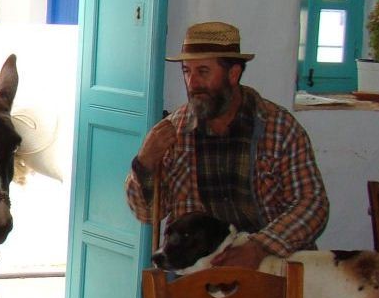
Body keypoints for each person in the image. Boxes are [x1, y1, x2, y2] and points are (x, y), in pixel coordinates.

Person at [126, 21, 329, 271]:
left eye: (203, 71)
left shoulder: (279, 128)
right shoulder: (175, 131)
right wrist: (144, 163)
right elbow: (147, 215)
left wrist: (259, 247)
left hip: (272, 266)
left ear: (233, 74)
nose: (192, 83)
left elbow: (312, 204)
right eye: (186, 71)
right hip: (198, 270)